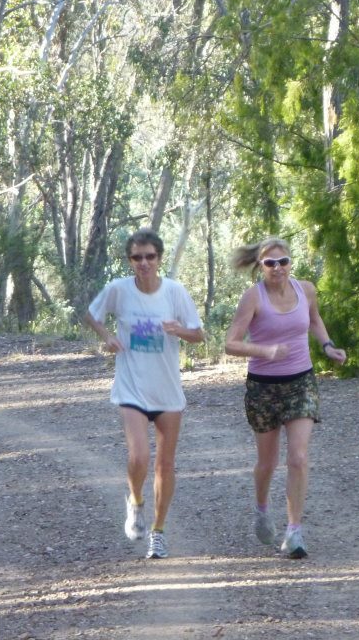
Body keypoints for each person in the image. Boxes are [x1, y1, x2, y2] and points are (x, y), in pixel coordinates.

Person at [84, 228, 205, 559]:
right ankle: (135, 500)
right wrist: (108, 337)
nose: (144, 263)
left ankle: (158, 531)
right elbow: (92, 314)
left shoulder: (175, 292)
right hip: (131, 387)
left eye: (150, 256)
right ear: (130, 260)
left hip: (167, 391)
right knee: (139, 457)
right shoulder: (119, 291)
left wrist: (178, 330)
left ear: (159, 258)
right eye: (137, 257)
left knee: (166, 465)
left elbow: (199, 334)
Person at [224, 237, 346, 559]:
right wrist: (266, 351)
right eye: (270, 263)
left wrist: (327, 346)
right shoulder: (253, 297)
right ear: (260, 266)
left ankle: (294, 531)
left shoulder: (305, 290)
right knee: (267, 462)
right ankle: (262, 508)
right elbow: (231, 344)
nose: (277, 268)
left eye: (283, 262)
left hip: (300, 382)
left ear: (292, 263)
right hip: (263, 386)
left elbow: (315, 320)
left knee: (299, 457)